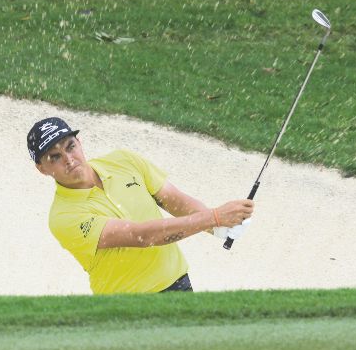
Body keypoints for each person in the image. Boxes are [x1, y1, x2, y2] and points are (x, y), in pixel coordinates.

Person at [28, 117, 255, 295]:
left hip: (177, 285)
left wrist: (218, 227)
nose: (69, 159)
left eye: (70, 146)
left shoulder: (123, 161)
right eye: (54, 157)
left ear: (80, 143)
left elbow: (176, 201)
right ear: (42, 169)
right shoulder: (63, 216)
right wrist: (214, 217)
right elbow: (142, 236)